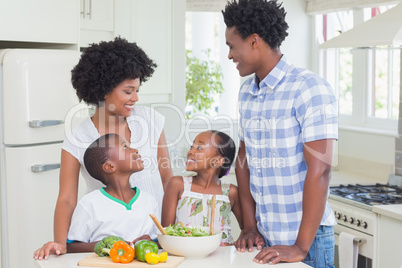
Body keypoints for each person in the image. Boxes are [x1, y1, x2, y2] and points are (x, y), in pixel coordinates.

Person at [33, 37, 172, 260]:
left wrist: (170, 233)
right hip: (108, 246)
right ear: (104, 91)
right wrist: (61, 243)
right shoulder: (78, 137)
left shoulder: (151, 120)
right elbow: (67, 198)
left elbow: (167, 179)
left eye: (137, 90)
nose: (135, 98)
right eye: (128, 91)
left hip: (153, 239)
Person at [222, 0, 338, 267]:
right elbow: (244, 160)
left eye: (231, 46)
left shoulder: (308, 88)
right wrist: (250, 226)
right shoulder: (246, 92)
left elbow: (320, 170)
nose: (229, 55)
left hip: (307, 241)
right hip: (266, 240)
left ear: (253, 41)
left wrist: (299, 246)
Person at [67, 133, 158, 253]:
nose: (135, 150)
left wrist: (152, 242)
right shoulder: (89, 204)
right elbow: (71, 247)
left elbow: (158, 241)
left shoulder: (149, 201)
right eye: (125, 147)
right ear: (110, 166)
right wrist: (109, 244)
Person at [161, 130, 243, 246]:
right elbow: (166, 234)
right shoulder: (178, 184)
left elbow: (247, 230)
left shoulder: (231, 192)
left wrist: (233, 246)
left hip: (221, 261)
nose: (190, 152)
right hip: (187, 258)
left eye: (199, 148)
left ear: (218, 161)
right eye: (191, 147)